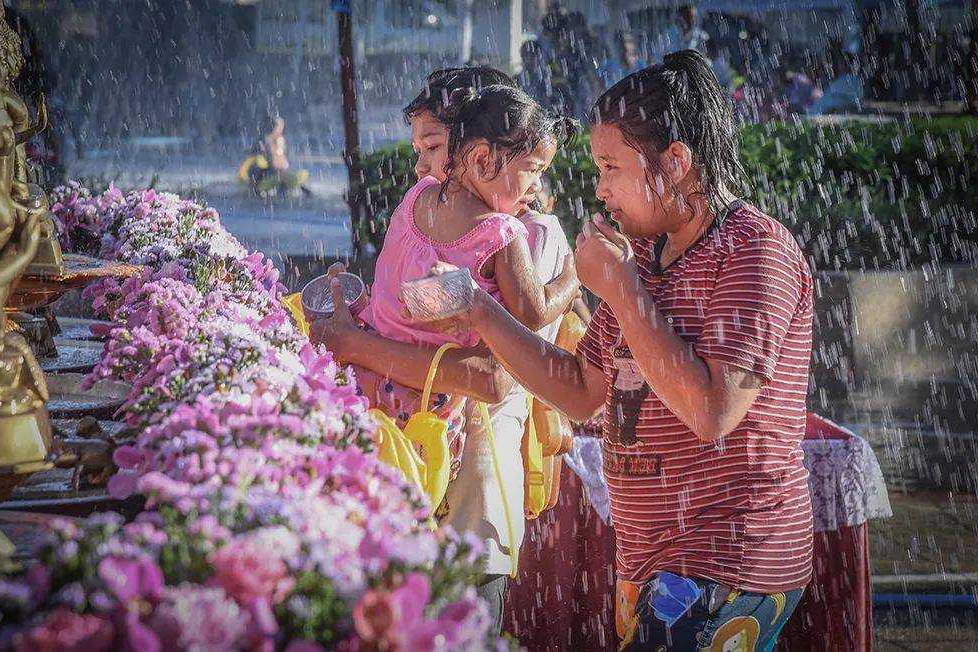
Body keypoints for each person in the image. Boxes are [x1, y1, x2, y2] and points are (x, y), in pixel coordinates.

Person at [428, 50, 814, 650]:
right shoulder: (650, 257)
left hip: (731, 556)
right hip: (648, 559)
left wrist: (621, 286)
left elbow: (714, 411)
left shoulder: (752, 251)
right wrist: (481, 311)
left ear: (677, 161)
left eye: (611, 167)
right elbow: (581, 391)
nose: (600, 188)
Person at [311, 69, 580, 630]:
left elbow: (493, 376)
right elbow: (418, 305)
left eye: (435, 147)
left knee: (461, 617)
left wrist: (359, 343)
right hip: (426, 451)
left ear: (471, 151)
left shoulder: (529, 235)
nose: (425, 166)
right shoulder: (459, 219)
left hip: (473, 492)